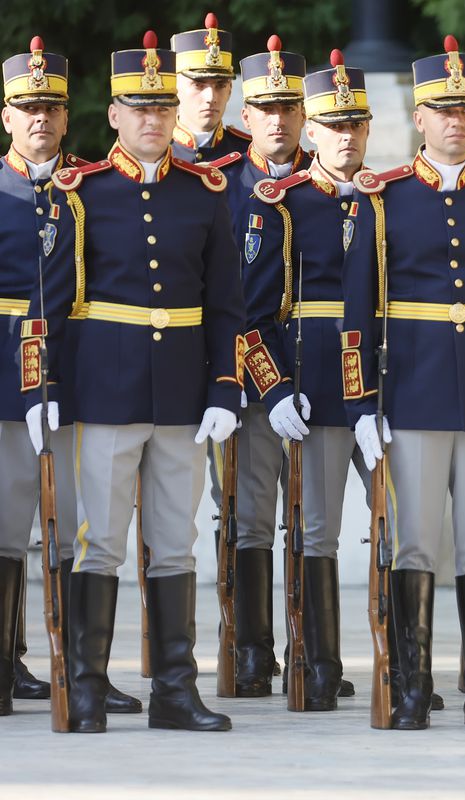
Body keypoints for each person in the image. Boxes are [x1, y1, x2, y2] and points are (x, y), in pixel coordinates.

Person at [21, 31, 242, 732]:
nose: (153, 119)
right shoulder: (81, 192)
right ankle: (86, 688)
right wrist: (41, 391)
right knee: (101, 542)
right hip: (105, 393)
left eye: (163, 107)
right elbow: (47, 305)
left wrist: (225, 387)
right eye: (138, 108)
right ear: (113, 114)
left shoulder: (205, 194)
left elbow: (226, 303)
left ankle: (175, 691)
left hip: (181, 395)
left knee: (175, 541)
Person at [342, 35, 465, 730]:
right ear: (419, 118)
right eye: (443, 110)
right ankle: (411, 686)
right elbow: (357, 313)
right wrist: (361, 402)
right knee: (416, 543)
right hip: (413, 395)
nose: (456, 120)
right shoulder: (383, 198)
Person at [0, 34, 140, 719]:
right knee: (6, 524)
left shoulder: (91, 186)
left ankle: (82, 669)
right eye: (28, 107)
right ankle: (3, 666)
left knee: (79, 527)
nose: (41, 118)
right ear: (6, 115)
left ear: (67, 113)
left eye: (51, 106)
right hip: (4, 379)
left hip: (80, 378)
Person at [239, 49, 375, 712]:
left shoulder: (387, 201)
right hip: (315, 390)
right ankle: (318, 664)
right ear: (311, 131)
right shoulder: (280, 206)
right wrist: (273, 390)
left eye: (355, 123)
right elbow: (250, 317)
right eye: (333, 124)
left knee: (404, 527)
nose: (345, 135)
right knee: (317, 531)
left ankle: (405, 664)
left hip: (382, 393)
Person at [212, 33, 311, 698]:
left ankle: (312, 651)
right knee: (251, 517)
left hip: (325, 381)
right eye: (265, 109)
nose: (277, 119)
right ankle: (252, 651)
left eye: (288, 108)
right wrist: (270, 386)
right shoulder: (223, 186)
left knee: (312, 521)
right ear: (245, 115)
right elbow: (233, 306)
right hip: (254, 384)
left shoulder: (329, 183)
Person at [169, 13, 249, 162]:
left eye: (220, 85)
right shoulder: (154, 156)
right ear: (175, 89)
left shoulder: (248, 154)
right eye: (198, 85)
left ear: (230, 90)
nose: (211, 97)